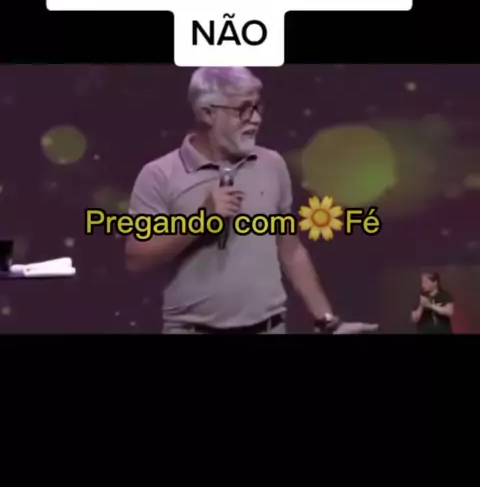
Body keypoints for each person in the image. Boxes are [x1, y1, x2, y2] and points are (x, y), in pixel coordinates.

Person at [125, 67, 378, 336]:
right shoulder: (160, 174)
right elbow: (136, 258)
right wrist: (199, 222)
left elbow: (290, 248)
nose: (256, 119)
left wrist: (327, 321)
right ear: (207, 113)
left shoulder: (272, 164)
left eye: (258, 108)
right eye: (243, 110)